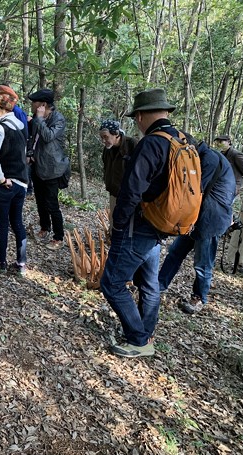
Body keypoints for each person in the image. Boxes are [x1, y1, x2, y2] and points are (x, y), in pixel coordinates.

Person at [100, 88, 179, 358]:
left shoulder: (151, 143)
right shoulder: (182, 140)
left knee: (111, 283)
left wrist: (118, 224)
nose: (137, 122)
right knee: (148, 282)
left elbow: (131, 189)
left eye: (137, 117)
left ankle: (139, 339)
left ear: (142, 116)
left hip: (139, 225)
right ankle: (147, 331)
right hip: (161, 225)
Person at [158, 140, 235, 314]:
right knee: (175, 253)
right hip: (195, 218)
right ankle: (159, 285)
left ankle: (199, 298)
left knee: (202, 264)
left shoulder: (209, 159)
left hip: (210, 220)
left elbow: (194, 191)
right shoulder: (200, 157)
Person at [0, 85, 28, 275]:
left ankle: (1, 261)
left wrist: (1, 179)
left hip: (6, 185)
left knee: (2, 223)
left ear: (1, 107)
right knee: (17, 222)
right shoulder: (20, 127)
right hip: (21, 184)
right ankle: (21, 263)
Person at [27, 88, 68, 250]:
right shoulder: (39, 119)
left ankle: (59, 237)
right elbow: (33, 138)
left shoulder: (58, 119)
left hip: (52, 168)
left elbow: (48, 136)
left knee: (52, 204)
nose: (31, 105)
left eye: (34, 102)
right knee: (40, 201)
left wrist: (39, 119)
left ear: (43, 104)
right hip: (37, 165)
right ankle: (44, 228)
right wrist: (30, 152)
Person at [99, 120, 138, 231]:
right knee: (114, 224)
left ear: (116, 134)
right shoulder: (108, 149)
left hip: (129, 196)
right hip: (114, 192)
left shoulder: (132, 145)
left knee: (127, 226)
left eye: (106, 137)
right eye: (102, 137)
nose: (103, 140)